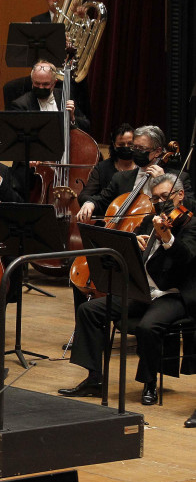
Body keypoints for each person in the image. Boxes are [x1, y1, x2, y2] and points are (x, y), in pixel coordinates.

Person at [59, 173, 196, 406]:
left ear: (180, 195)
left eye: (165, 196)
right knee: (89, 310)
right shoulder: (150, 220)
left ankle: (149, 384)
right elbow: (134, 255)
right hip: (142, 290)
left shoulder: (191, 224)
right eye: (155, 199)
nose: (160, 203)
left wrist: (167, 239)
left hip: (172, 294)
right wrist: (134, 242)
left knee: (148, 326)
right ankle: (94, 379)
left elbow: (188, 260)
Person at [78, 125, 192, 223]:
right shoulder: (121, 178)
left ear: (157, 151)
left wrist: (163, 182)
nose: (136, 152)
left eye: (141, 149)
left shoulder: (180, 178)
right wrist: (90, 203)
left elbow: (191, 207)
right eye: (134, 147)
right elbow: (102, 200)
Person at [7, 60, 90, 131]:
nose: (41, 87)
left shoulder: (64, 96)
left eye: (45, 84)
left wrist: (72, 119)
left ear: (54, 83)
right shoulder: (20, 105)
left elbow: (86, 125)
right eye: (37, 83)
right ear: (32, 82)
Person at [78, 123, 136, 205]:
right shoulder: (102, 168)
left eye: (130, 144)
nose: (126, 147)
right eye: (121, 144)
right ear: (114, 145)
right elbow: (84, 195)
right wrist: (90, 203)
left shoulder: (142, 166)